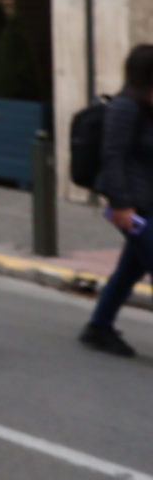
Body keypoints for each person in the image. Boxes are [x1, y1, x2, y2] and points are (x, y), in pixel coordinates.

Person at [81, 44, 153, 357]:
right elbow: (113, 155)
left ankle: (99, 326)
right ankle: (98, 327)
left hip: (147, 201)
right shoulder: (124, 107)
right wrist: (122, 204)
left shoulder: (148, 108)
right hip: (132, 206)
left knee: (130, 270)